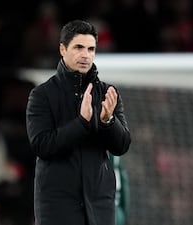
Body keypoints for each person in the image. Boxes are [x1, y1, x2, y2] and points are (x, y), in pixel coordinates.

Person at [26, 19, 131, 225]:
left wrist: (108, 121)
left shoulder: (107, 92)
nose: (86, 55)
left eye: (91, 49)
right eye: (79, 47)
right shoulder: (42, 95)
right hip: (57, 205)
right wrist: (82, 123)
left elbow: (122, 145)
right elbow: (42, 145)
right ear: (62, 50)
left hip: (99, 203)